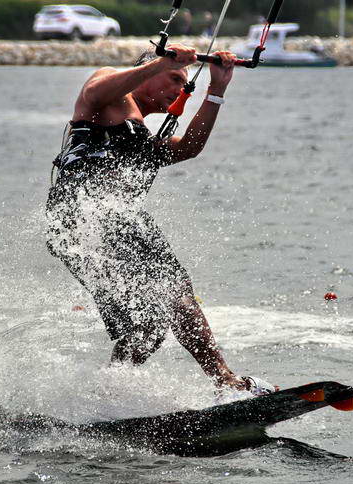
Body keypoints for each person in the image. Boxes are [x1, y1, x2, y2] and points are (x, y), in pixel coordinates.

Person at [46, 44, 269, 393]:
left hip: (82, 226)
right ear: (150, 68)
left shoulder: (146, 141)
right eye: (174, 77)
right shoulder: (109, 92)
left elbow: (190, 147)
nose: (180, 87)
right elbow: (94, 91)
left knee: (146, 324)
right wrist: (161, 63)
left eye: (184, 82)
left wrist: (217, 90)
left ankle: (110, 395)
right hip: (86, 212)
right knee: (174, 290)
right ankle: (224, 379)